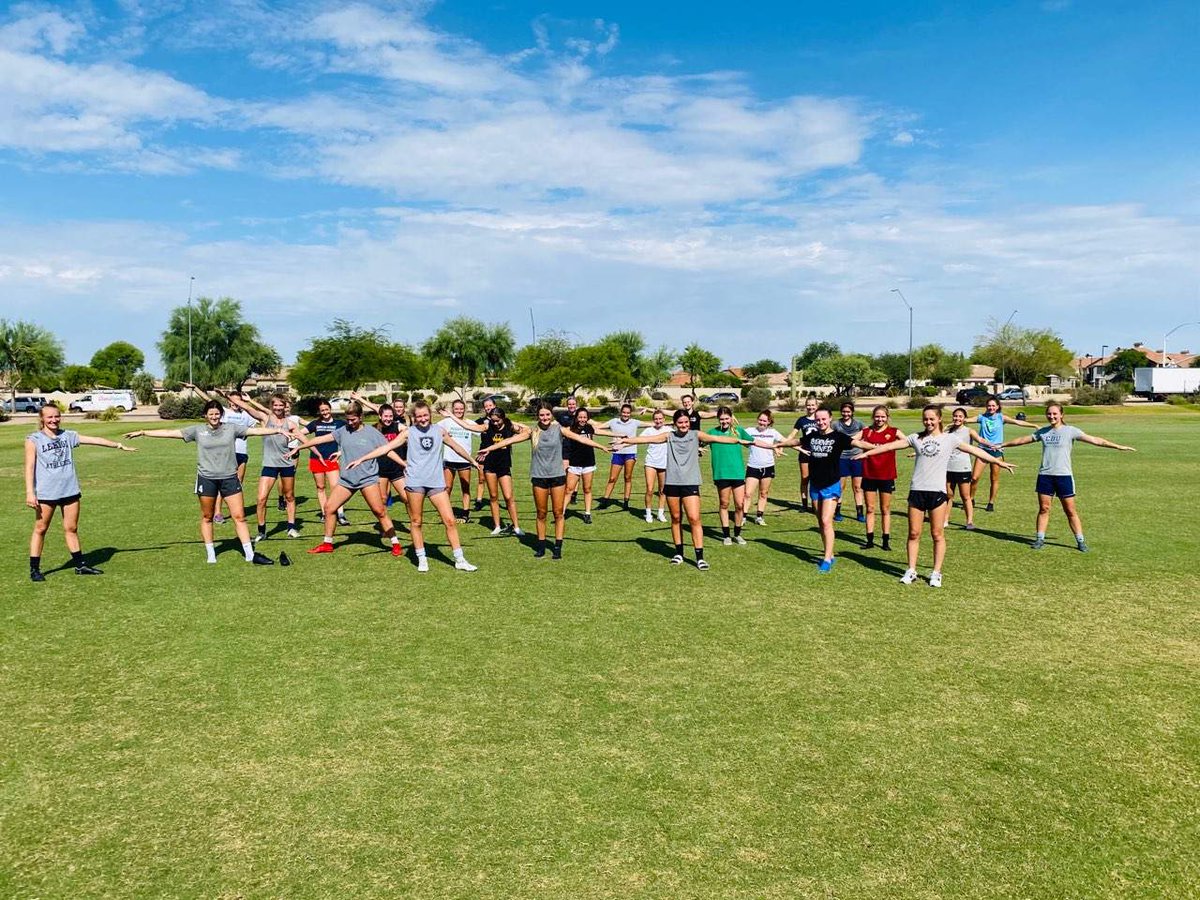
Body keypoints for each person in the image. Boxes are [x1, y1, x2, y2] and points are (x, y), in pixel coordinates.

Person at [857, 405, 1015, 587]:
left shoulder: (950, 439)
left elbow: (975, 450)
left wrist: (997, 461)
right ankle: (911, 570)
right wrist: (867, 454)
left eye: (932, 419)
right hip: (917, 491)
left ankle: (936, 573)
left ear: (939, 419)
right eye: (925, 419)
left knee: (937, 534)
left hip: (938, 492)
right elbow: (889, 446)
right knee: (914, 533)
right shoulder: (916, 438)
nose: (928, 422)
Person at [125, 401, 282, 565]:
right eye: (211, 414)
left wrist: (278, 430)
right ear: (205, 415)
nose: (214, 417)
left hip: (229, 477)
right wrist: (143, 432)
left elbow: (255, 431)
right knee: (207, 516)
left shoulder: (231, 428)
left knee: (239, 516)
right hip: (206, 478)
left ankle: (249, 554)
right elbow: (170, 433)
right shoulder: (197, 430)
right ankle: (211, 553)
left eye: (217, 414)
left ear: (221, 414)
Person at [346, 401, 479, 571]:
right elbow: (386, 448)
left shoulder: (439, 431)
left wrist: (472, 461)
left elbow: (456, 447)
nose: (423, 419)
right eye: (419, 416)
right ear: (414, 417)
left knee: (450, 521)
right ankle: (421, 558)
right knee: (416, 521)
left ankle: (460, 560)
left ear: (430, 415)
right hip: (415, 483)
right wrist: (361, 459)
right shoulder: (408, 433)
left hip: (436, 482)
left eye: (425, 415)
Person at [612, 409, 751, 569]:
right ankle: (678, 553)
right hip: (672, 483)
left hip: (690, 483)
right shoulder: (669, 436)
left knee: (694, 518)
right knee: (676, 518)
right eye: (680, 422)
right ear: (675, 424)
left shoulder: (696, 435)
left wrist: (740, 441)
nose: (684, 425)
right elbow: (646, 439)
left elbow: (718, 438)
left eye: (686, 422)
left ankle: (700, 557)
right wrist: (626, 441)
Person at [478, 403, 611, 559]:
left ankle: (557, 546)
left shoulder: (559, 429)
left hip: (557, 476)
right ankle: (541, 546)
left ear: (551, 415)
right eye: (542, 415)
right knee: (541, 513)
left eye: (547, 414)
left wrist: (600, 446)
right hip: (539, 477)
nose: (545, 417)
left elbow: (580, 439)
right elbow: (508, 441)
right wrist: (489, 449)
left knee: (558, 513)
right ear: (538, 416)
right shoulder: (532, 431)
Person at [999, 402, 1135, 552]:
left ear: (1061, 415)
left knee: (1070, 510)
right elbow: (1022, 440)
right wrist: (1003, 444)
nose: (1051, 416)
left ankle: (1080, 541)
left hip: (1063, 476)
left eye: (1055, 414)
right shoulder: (1043, 432)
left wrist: (1118, 446)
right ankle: (1039, 539)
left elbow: (1096, 440)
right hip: (1045, 476)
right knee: (1044, 508)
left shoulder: (1070, 431)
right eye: (1049, 414)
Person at [25, 404, 137, 581]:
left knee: (71, 528)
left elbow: (94, 440)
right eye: (49, 417)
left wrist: (118, 445)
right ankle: (35, 569)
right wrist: (30, 492)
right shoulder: (34, 439)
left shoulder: (68, 436)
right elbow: (29, 467)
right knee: (41, 528)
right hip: (46, 493)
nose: (54, 420)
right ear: (42, 419)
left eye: (56, 416)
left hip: (70, 490)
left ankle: (80, 565)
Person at [288, 401, 405, 558]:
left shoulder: (372, 432)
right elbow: (321, 439)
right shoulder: (343, 431)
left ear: (360, 417)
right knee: (329, 508)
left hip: (367, 479)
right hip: (347, 480)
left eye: (353, 419)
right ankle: (327, 543)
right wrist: (299, 447)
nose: (350, 423)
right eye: (348, 419)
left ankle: (395, 544)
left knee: (380, 511)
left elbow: (388, 451)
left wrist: (404, 464)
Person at [775, 408, 879, 572]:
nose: (821, 422)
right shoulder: (812, 436)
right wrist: (778, 444)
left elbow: (858, 443)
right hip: (815, 484)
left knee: (825, 521)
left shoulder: (838, 437)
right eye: (818, 420)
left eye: (824, 419)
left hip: (831, 484)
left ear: (830, 419)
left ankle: (826, 558)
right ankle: (829, 553)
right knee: (820, 522)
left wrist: (877, 447)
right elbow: (796, 442)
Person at [439, 405, 527, 536]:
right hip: (490, 466)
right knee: (493, 496)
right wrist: (451, 416)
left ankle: (516, 527)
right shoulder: (487, 427)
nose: (495, 423)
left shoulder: (510, 426)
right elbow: (467, 426)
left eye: (498, 420)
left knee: (509, 497)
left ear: (503, 418)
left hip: (504, 466)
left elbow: (527, 430)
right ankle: (497, 526)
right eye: (493, 420)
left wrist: (511, 422)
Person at [225, 392, 299, 542]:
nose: (278, 408)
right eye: (275, 405)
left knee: (289, 496)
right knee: (261, 499)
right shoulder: (265, 419)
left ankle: (291, 527)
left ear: (285, 406)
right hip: (269, 464)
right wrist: (228, 396)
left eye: (281, 405)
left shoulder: (291, 424)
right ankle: (261, 531)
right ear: (272, 406)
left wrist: (298, 449)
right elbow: (247, 408)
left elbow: (302, 438)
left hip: (286, 464)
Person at [182, 384, 255, 525]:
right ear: (229, 401)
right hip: (224, 453)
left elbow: (256, 426)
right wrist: (195, 388)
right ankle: (218, 512)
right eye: (233, 400)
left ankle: (236, 512)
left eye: (238, 400)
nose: (235, 403)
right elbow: (208, 401)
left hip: (241, 453)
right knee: (220, 482)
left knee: (237, 483)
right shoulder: (224, 413)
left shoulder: (246, 415)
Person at [970, 396, 1035, 512]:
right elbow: (965, 420)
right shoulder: (982, 417)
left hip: (997, 452)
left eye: (993, 406)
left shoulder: (1001, 417)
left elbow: (1017, 422)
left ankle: (991, 503)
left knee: (994, 478)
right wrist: (952, 424)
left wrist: (1034, 425)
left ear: (997, 407)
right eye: (989, 406)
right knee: (974, 478)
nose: (991, 408)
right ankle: (971, 499)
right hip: (982, 450)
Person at [857, 405, 906, 550]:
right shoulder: (866, 431)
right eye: (877, 416)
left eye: (883, 417)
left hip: (886, 475)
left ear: (887, 417)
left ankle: (885, 541)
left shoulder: (894, 431)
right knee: (870, 508)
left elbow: (909, 442)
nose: (880, 419)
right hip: (869, 474)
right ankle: (869, 540)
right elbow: (850, 440)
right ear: (873, 417)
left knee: (885, 508)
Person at [705, 406, 754, 546]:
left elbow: (752, 443)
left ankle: (737, 534)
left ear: (731, 418)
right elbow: (698, 443)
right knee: (724, 504)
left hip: (737, 473)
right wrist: (699, 448)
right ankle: (726, 535)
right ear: (718, 419)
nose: (724, 421)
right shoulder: (712, 433)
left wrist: (775, 447)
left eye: (727, 418)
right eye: (721, 419)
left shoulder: (738, 431)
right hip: (721, 474)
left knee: (740, 505)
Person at [302, 399, 349, 527]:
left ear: (330, 409)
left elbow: (351, 434)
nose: (325, 412)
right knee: (320, 487)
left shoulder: (340, 423)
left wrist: (341, 452)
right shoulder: (315, 424)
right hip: (316, 459)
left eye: (326, 409)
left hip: (331, 459)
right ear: (320, 412)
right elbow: (299, 434)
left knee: (336, 487)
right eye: (322, 410)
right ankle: (324, 513)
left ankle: (340, 514)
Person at [945, 407, 990, 530]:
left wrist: (992, 445)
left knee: (965, 496)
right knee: (948, 496)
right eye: (955, 416)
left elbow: (980, 440)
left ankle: (969, 522)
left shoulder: (969, 431)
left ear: (964, 418)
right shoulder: (948, 431)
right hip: (948, 467)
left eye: (960, 416)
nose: (957, 418)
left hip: (963, 468)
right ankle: (945, 519)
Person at [595, 403, 645, 510]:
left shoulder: (635, 422)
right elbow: (598, 427)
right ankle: (605, 501)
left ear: (630, 413)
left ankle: (626, 503)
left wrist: (670, 422)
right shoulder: (613, 422)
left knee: (627, 477)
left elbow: (652, 424)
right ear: (620, 412)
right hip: (617, 453)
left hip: (630, 453)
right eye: (624, 412)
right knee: (612, 478)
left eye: (628, 413)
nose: (626, 414)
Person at [743, 410, 784, 525]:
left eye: (764, 421)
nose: (761, 422)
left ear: (769, 422)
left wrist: (780, 448)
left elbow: (785, 441)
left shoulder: (773, 432)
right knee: (747, 493)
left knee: (763, 493)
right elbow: (737, 435)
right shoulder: (750, 431)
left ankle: (759, 517)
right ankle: (743, 516)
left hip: (768, 466)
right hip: (753, 466)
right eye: (760, 420)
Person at [440, 398, 476, 522]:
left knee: (465, 488)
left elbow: (482, 432)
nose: (459, 411)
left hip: (464, 461)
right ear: (452, 410)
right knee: (447, 488)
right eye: (456, 409)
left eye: (461, 409)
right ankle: (446, 513)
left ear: (464, 409)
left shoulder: (469, 423)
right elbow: (433, 430)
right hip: (449, 459)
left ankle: (465, 514)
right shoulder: (446, 422)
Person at [784, 396, 821, 512]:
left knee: (817, 479)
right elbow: (792, 435)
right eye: (808, 405)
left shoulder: (820, 418)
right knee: (805, 479)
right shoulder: (802, 420)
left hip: (819, 453)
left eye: (813, 405)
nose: (810, 407)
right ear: (805, 406)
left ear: (817, 406)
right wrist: (782, 443)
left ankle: (816, 504)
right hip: (805, 453)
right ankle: (804, 505)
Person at [833, 401, 866, 523]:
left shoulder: (859, 424)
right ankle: (837, 511)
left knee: (858, 487)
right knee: (840, 487)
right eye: (843, 411)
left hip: (856, 458)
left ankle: (860, 513)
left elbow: (867, 433)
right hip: (841, 458)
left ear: (852, 412)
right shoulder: (835, 424)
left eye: (848, 411)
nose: (846, 414)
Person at [565, 407, 599, 524]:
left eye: (585, 417)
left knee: (587, 489)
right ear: (576, 418)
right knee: (569, 490)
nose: (582, 419)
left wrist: (621, 435)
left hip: (588, 463)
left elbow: (603, 432)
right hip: (574, 464)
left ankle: (587, 513)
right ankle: (561, 513)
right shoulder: (570, 429)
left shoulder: (590, 428)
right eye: (580, 417)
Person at [639, 409, 672, 523]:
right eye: (656, 419)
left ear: (664, 419)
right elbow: (638, 440)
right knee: (649, 489)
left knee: (663, 490)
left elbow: (682, 439)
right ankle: (648, 513)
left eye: (660, 419)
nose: (658, 421)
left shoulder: (669, 430)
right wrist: (624, 442)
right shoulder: (649, 430)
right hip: (650, 463)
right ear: (653, 420)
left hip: (664, 463)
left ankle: (660, 513)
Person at [472, 396, 497, 512]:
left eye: (490, 405)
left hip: (497, 453)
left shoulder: (500, 420)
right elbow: (467, 426)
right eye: (486, 406)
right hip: (483, 452)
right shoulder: (480, 421)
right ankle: (479, 501)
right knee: (481, 478)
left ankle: (502, 500)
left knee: (499, 478)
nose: (488, 408)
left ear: (495, 406)